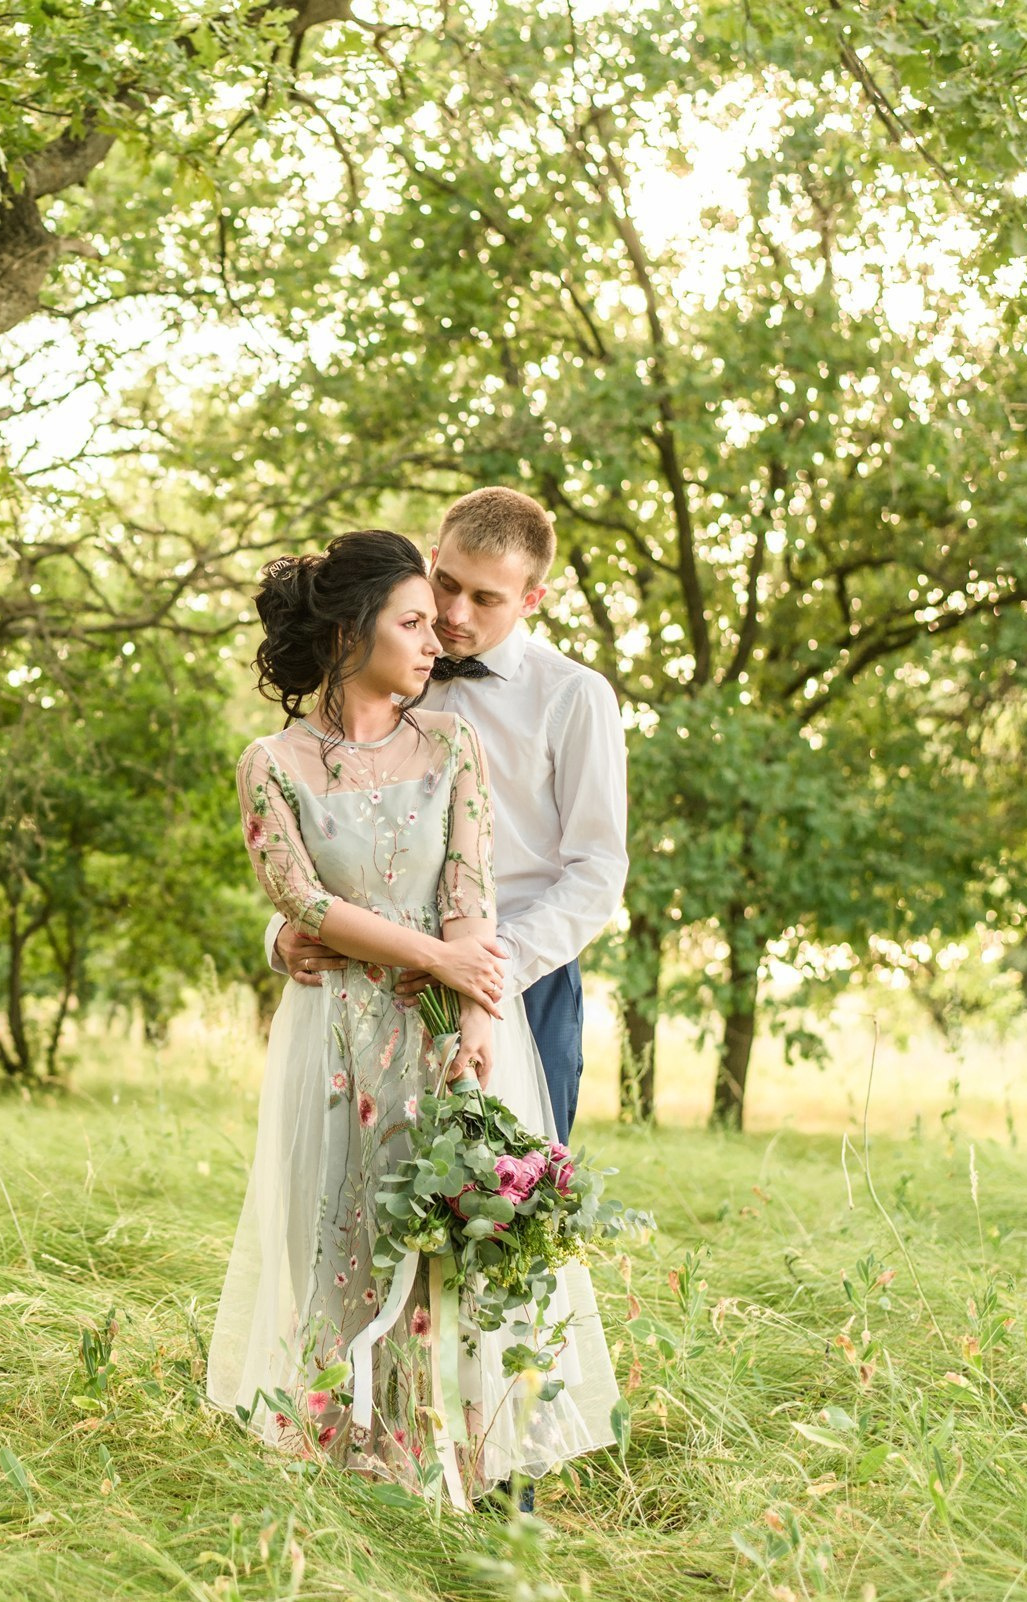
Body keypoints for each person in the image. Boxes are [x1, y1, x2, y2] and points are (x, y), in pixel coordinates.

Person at [206, 527, 618, 1503]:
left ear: (529, 599)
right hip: (339, 1032)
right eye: (427, 610)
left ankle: (469, 1475)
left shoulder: (490, 726)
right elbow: (298, 902)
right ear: (357, 630)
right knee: (337, 1239)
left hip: (493, 999)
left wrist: (476, 1010)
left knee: (470, 1234)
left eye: (467, 608)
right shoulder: (273, 762)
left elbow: (504, 883)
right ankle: (336, 1470)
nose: (445, 632)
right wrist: (364, 950)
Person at [264, 488, 628, 1143]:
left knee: (503, 1209)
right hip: (375, 977)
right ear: (431, 560)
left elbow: (597, 870)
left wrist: (483, 971)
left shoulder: (573, 697)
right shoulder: (385, 661)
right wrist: (283, 931)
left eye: (486, 598)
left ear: (531, 600)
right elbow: (317, 819)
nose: (455, 614)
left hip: (521, 974)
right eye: (446, 583)